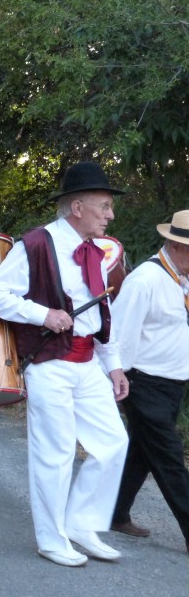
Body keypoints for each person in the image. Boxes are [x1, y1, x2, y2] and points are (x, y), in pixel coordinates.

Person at [0, 161, 130, 567]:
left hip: (88, 363)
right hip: (49, 363)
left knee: (114, 442)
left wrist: (113, 365)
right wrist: (42, 314)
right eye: (104, 206)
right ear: (77, 207)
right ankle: (52, 538)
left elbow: (102, 311)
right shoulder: (36, 244)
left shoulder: (97, 252)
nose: (111, 215)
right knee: (56, 453)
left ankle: (82, 524)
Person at [110, 210, 189, 555]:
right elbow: (120, 334)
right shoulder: (144, 280)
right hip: (143, 384)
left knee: (141, 452)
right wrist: (117, 380)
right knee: (170, 459)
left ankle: (114, 512)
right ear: (175, 245)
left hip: (172, 385)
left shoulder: (182, 280)